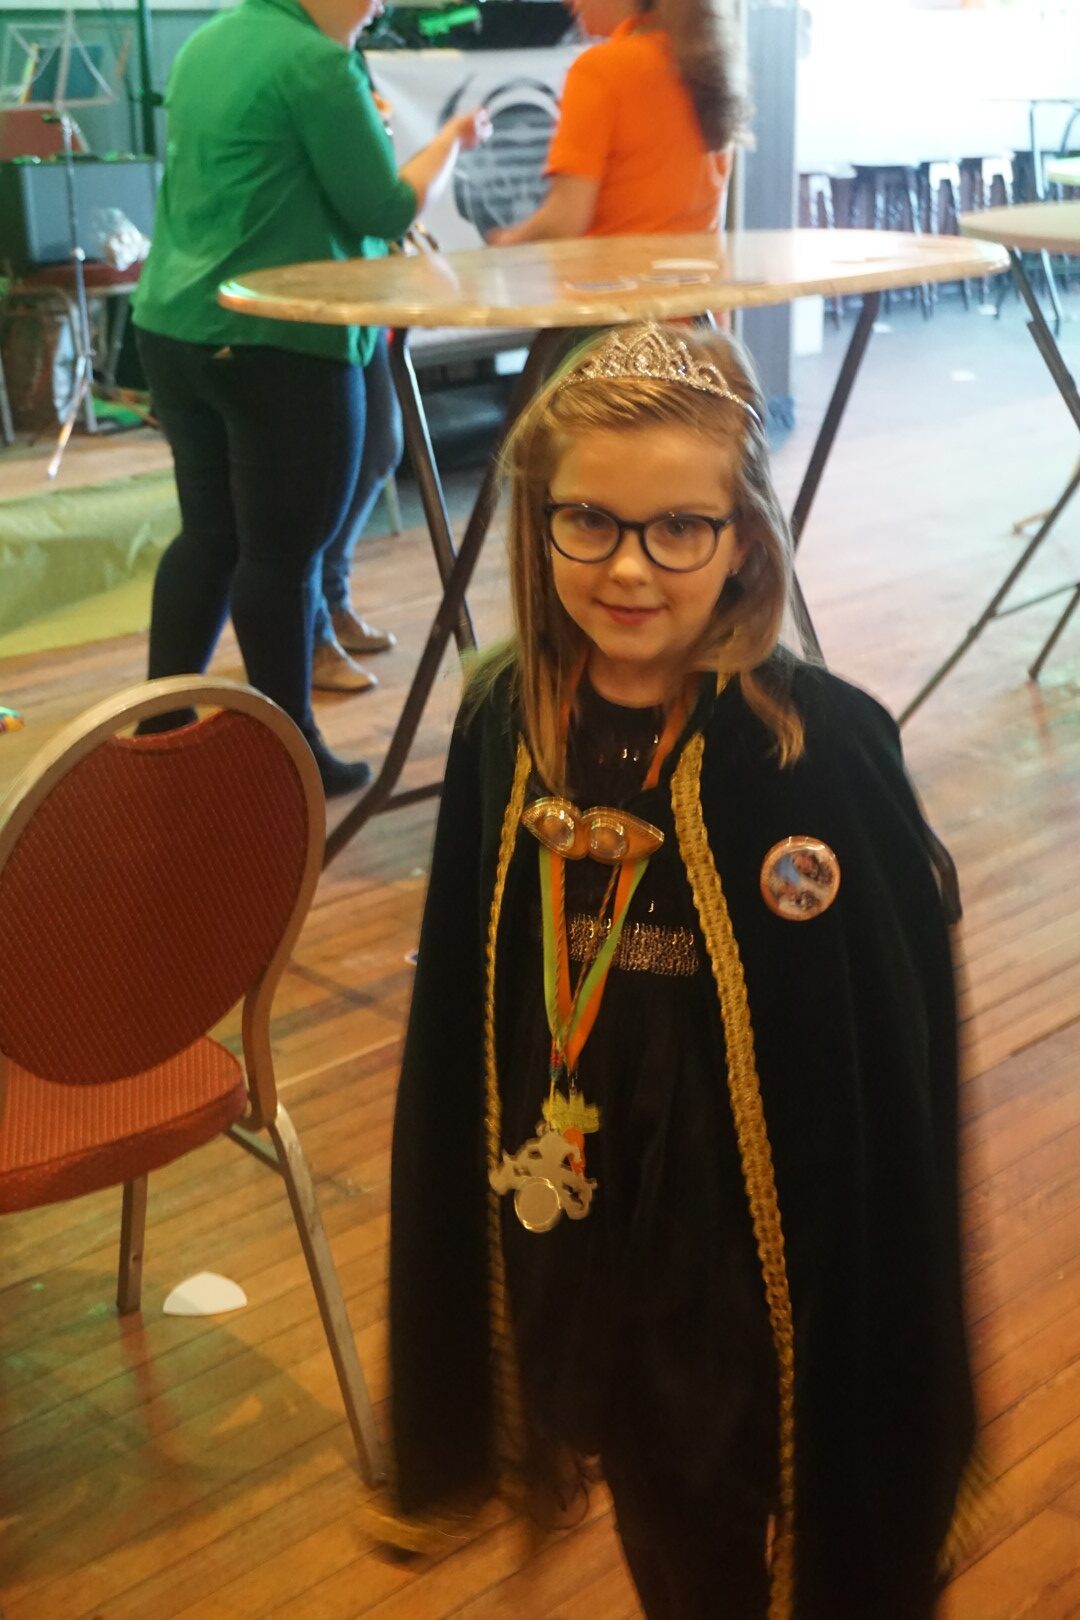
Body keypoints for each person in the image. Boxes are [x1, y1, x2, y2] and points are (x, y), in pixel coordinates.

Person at [379, 323, 981, 1618]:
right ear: (539, 520)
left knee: (772, 1488)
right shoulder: (506, 721)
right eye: (589, 520)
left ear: (745, 540)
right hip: (588, 1213)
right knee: (668, 1521)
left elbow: (887, 1064)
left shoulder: (817, 752)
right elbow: (469, 1008)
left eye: (679, 529)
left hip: (759, 1254)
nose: (628, 567)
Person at [132, 0, 489, 794]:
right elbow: (384, 208)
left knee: (210, 537)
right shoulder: (317, 63)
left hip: (174, 326)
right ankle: (291, 757)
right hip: (278, 340)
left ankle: (160, 723)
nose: (380, 6)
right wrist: (448, 144)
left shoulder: (208, 41)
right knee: (281, 557)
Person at [488, 0, 744, 246]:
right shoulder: (709, 68)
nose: (567, 2)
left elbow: (565, 220)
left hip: (615, 274)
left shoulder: (599, 71)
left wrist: (507, 244)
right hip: (698, 274)